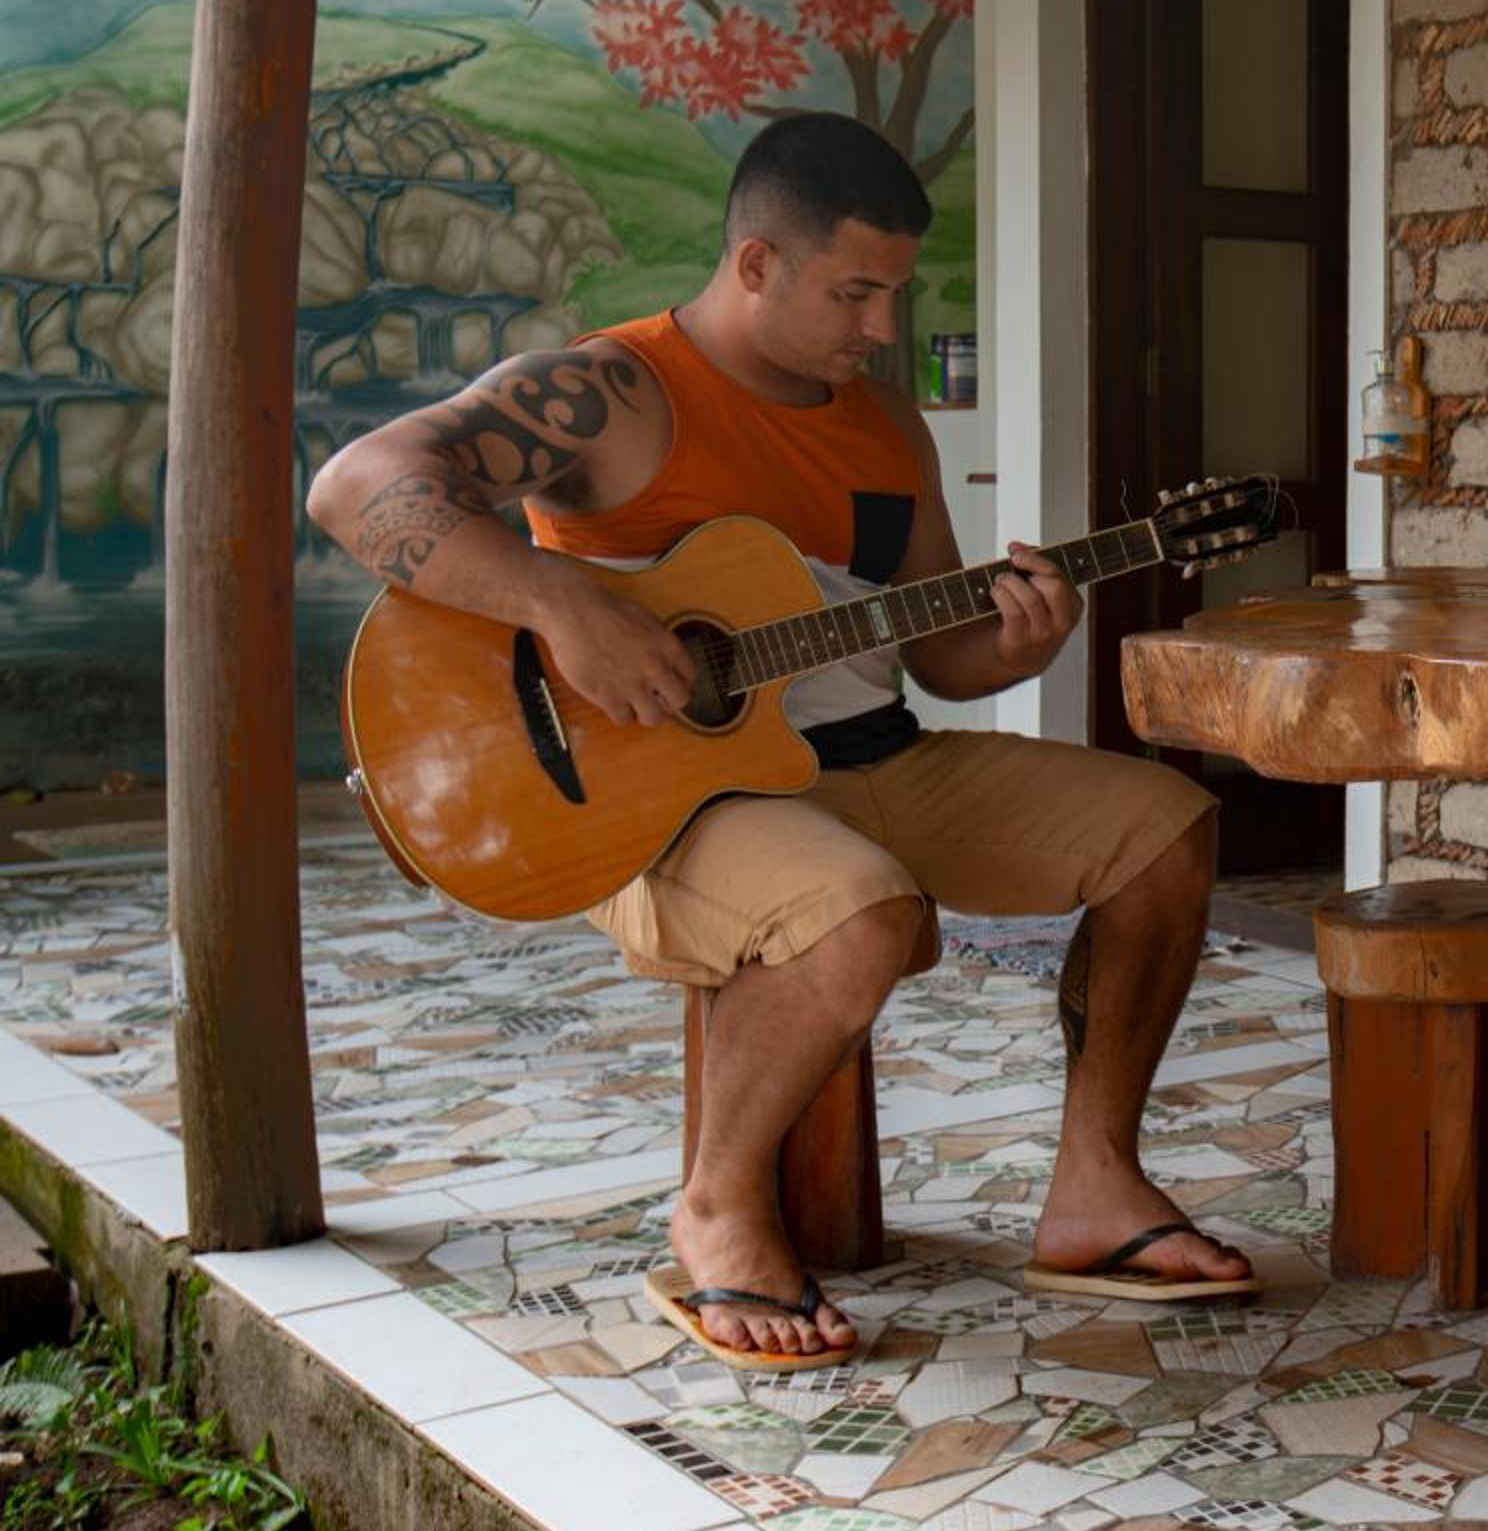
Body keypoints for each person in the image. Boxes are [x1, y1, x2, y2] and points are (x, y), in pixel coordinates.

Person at [307, 112, 1254, 1366]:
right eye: (856, 292)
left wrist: (1022, 641)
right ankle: (715, 1207)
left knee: (1166, 830)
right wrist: (564, 605)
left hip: (878, 758)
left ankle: (1094, 1185)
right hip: (666, 806)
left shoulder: (888, 427)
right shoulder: (609, 391)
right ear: (756, 263)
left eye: (893, 293)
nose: (882, 326)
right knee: (861, 912)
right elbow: (356, 484)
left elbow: (940, 656)